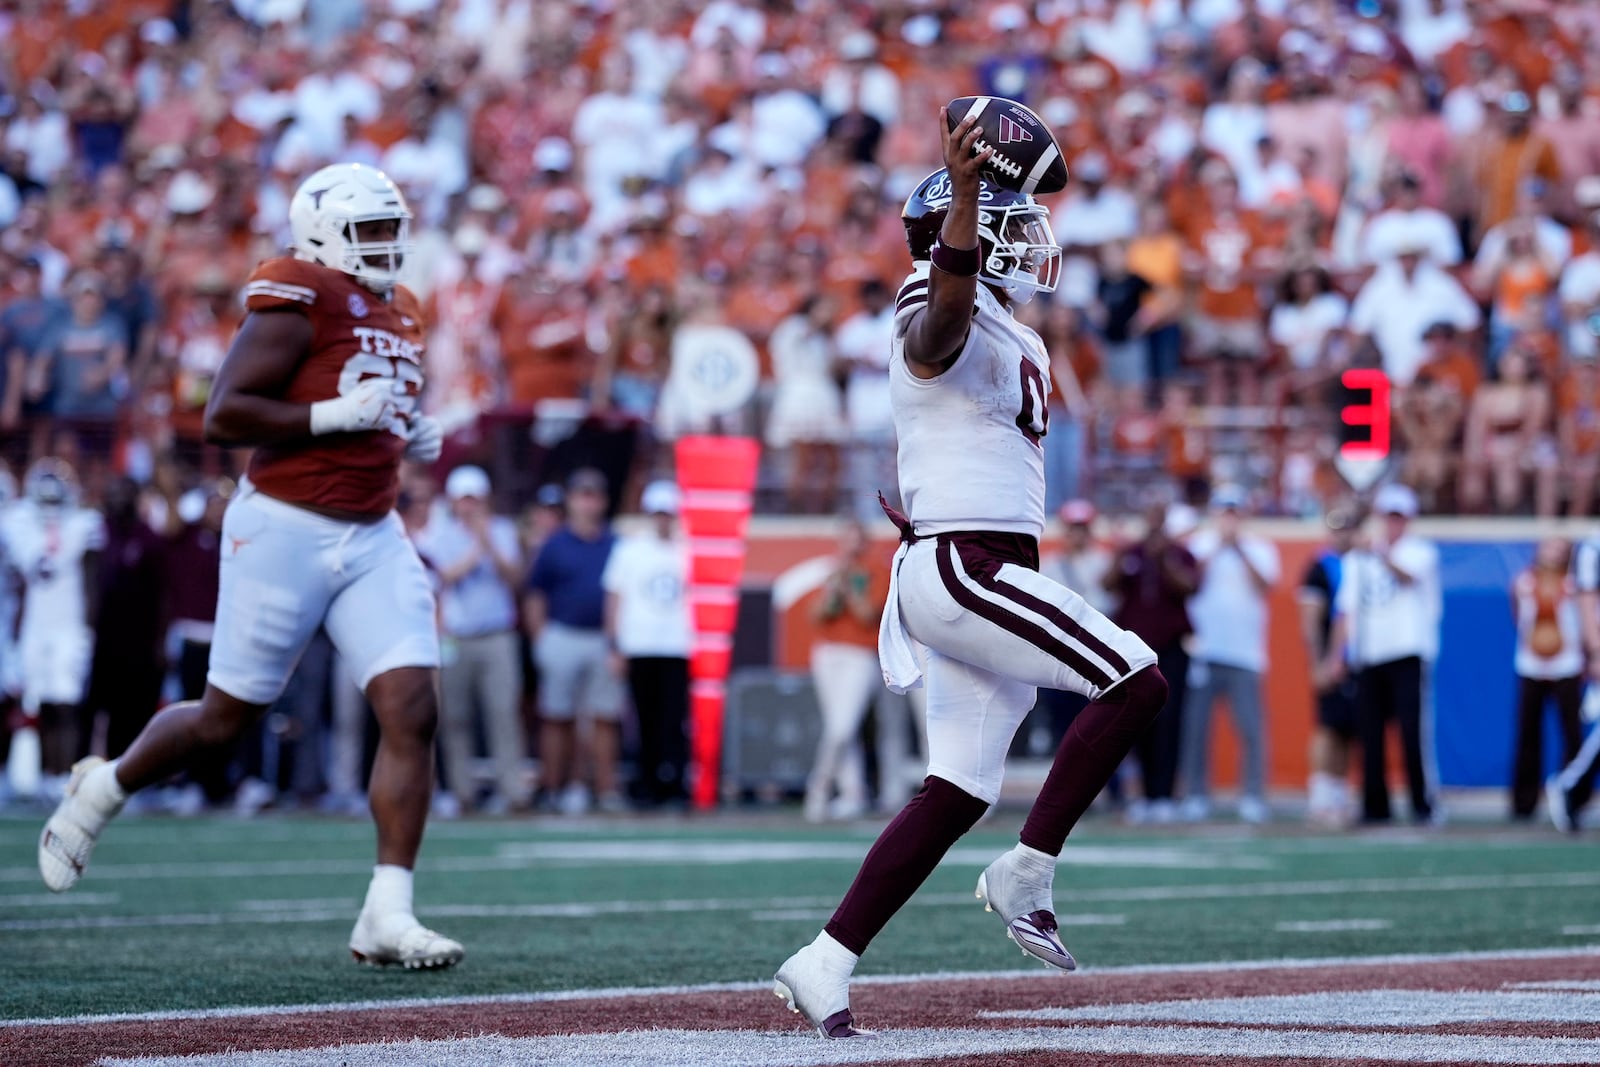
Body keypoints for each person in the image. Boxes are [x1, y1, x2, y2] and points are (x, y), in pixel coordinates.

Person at [773, 110, 1167, 1039]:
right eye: (1010, 222)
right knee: (1135, 677)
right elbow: (935, 337)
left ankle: (823, 959)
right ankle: (1026, 869)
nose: (1033, 240)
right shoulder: (932, 291)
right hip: (962, 563)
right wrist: (957, 215)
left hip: (976, 564)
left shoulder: (1021, 332)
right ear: (968, 233)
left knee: (955, 790)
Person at [37, 163, 463, 970]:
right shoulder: (298, 288)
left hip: (373, 531)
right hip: (285, 527)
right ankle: (106, 785)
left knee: (412, 707)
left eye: (392, 230)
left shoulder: (400, 310)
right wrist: (340, 415)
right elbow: (225, 413)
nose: (387, 246)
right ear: (324, 233)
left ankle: (387, 910)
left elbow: (372, 401)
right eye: (371, 231)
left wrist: (405, 432)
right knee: (222, 719)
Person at [1321, 483, 1441, 825]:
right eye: (1387, 518)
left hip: (1407, 652)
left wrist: (1378, 553)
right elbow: (1345, 610)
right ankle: (1375, 805)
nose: (1391, 525)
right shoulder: (1359, 558)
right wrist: (1336, 655)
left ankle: (1422, 804)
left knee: (1412, 733)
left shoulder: (1420, 551)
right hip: (1369, 656)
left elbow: (1407, 577)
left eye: (1397, 518)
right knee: (1369, 734)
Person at [417, 465, 528, 815]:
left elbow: (514, 577)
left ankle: (513, 791)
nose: (469, 506)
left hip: (497, 633)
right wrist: (478, 546)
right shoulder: (440, 534)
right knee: (455, 718)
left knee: (503, 712)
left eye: (474, 499)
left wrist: (487, 541)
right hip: (457, 635)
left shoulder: (503, 531)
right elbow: (446, 575)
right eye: (464, 500)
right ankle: (462, 791)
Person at [1177, 484, 1279, 824]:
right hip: (1204, 649)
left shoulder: (1260, 549)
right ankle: (1195, 794)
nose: (1229, 519)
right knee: (1197, 729)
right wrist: (1218, 548)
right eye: (1224, 512)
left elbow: (1265, 587)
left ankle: (1252, 795)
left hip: (1246, 653)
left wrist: (1238, 550)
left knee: (1250, 729)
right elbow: (1190, 583)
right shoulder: (1199, 546)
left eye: (1234, 512)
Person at [524, 466, 624, 814]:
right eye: (582, 494)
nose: (587, 502)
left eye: (593, 495)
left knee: (604, 717)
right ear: (571, 500)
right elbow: (535, 594)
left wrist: (617, 642)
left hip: (602, 637)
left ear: (603, 501)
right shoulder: (554, 544)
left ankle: (605, 789)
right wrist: (541, 639)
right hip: (562, 633)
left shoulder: (615, 542)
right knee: (557, 716)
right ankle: (554, 786)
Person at [1, 459, 102, 791]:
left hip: (69, 625)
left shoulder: (83, 524)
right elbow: (18, 581)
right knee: (36, 704)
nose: (49, 508)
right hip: (35, 624)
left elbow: (90, 582)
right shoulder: (19, 525)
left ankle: (63, 776)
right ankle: (40, 776)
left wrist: (88, 628)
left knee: (66, 704)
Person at [1106, 496, 1199, 823]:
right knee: (1138, 721)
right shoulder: (1132, 552)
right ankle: (1143, 794)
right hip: (1135, 652)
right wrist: (1118, 555)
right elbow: (1109, 585)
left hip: (1171, 650)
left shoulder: (1179, 554)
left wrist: (1165, 562)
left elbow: (1190, 588)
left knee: (1170, 721)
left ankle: (1165, 795)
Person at [601, 479, 691, 808]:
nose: (662, 519)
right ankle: (648, 783)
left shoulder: (688, 548)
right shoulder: (630, 548)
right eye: (658, 513)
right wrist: (614, 645)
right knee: (644, 720)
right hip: (639, 645)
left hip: (678, 646)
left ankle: (675, 783)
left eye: (667, 513)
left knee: (674, 720)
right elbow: (614, 597)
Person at [800, 517, 891, 822]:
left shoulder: (877, 571)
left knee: (842, 726)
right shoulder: (833, 571)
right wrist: (834, 592)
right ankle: (853, 793)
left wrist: (849, 589)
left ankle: (818, 788)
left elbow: (868, 615)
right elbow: (817, 615)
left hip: (860, 655)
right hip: (827, 653)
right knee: (838, 726)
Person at [1508, 537, 1584, 821]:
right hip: (1531, 665)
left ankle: (1572, 797)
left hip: (1568, 665)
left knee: (1572, 734)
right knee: (1528, 734)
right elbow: (1517, 614)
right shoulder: (1524, 583)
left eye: (1560, 548)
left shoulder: (1575, 584)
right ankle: (1523, 803)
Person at [1299, 505, 1360, 828]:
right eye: (1338, 528)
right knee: (1327, 727)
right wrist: (1320, 661)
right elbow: (1310, 620)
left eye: (1348, 527)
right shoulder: (1320, 567)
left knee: (1348, 730)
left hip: (1358, 660)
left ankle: (1337, 793)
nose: (1343, 534)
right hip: (1333, 659)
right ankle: (1321, 794)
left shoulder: (1361, 562)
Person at [1548, 534, 1600, 833]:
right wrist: (1594, 651)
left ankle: (1573, 787)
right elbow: (1586, 601)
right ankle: (1571, 785)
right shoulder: (1593, 548)